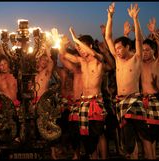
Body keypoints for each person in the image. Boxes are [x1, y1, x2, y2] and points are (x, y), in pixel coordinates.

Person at [105, 3, 154, 159]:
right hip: (121, 102)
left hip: (135, 100)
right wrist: (110, 17)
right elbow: (107, 37)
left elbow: (138, 39)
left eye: (120, 48)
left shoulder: (136, 58)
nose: (117, 51)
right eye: (116, 48)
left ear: (127, 47)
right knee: (128, 138)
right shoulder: (118, 61)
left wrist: (135, 19)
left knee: (144, 136)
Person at [61, 27, 107, 159]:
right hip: (83, 103)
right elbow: (63, 55)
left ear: (90, 47)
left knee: (95, 137)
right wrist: (62, 45)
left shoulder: (98, 60)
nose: (80, 50)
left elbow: (94, 54)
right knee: (87, 140)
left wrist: (76, 40)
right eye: (79, 48)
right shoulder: (81, 61)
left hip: (95, 103)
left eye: (83, 47)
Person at [141, 18, 159, 158]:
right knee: (146, 137)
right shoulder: (140, 64)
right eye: (143, 50)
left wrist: (154, 33)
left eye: (147, 50)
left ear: (153, 51)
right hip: (143, 102)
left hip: (156, 101)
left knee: (150, 137)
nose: (144, 52)